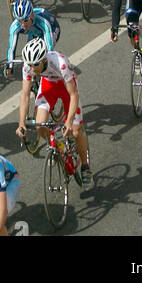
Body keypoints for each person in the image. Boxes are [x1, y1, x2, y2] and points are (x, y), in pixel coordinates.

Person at [17, 38, 93, 190]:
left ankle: (85, 167)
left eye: (36, 65)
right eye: (30, 65)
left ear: (44, 59)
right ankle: (58, 146)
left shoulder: (60, 62)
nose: (32, 69)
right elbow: (25, 95)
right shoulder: (28, 66)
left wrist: (69, 122)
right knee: (40, 125)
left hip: (66, 88)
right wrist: (21, 124)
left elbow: (73, 95)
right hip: (48, 86)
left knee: (77, 131)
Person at [5, 0, 60, 73]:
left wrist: (46, 61)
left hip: (53, 28)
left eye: (26, 20)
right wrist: (10, 67)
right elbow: (12, 48)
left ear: (32, 15)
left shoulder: (43, 22)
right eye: (19, 21)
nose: (23, 24)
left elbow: (49, 49)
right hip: (34, 33)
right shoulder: (15, 27)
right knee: (29, 56)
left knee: (42, 58)